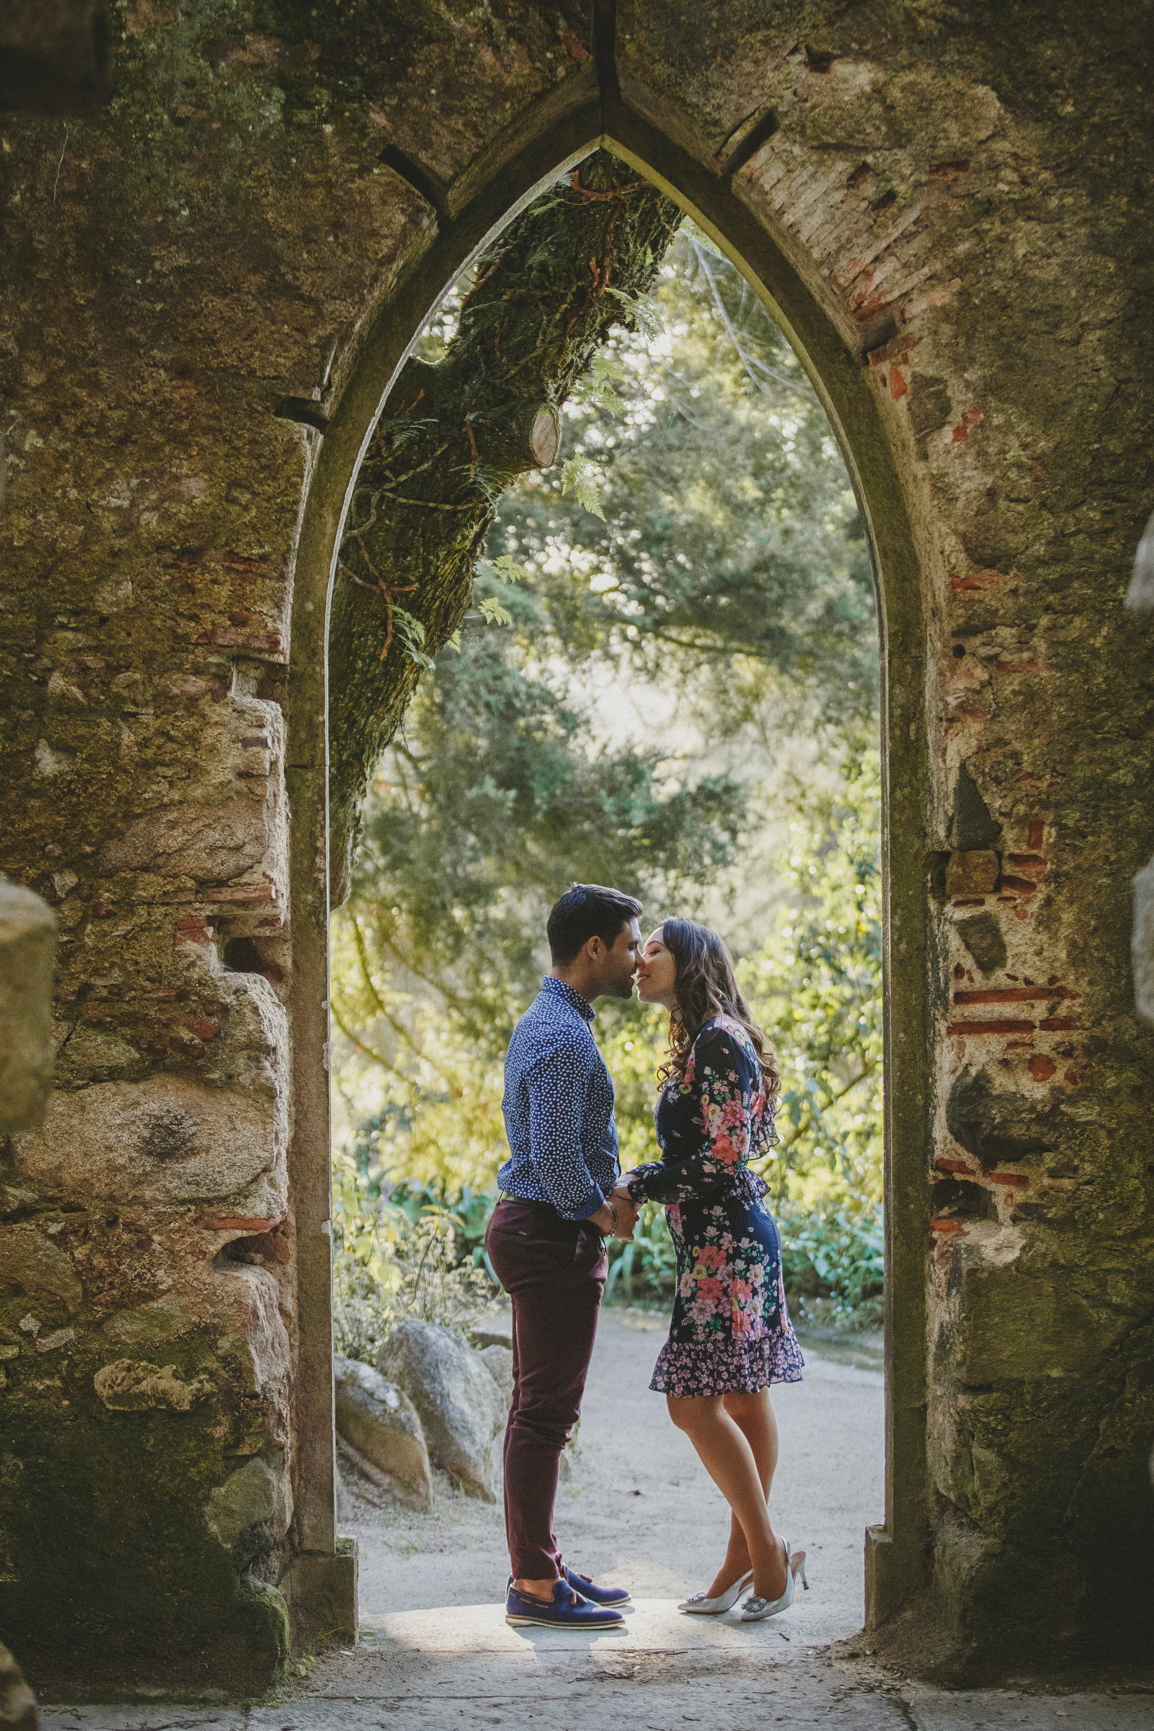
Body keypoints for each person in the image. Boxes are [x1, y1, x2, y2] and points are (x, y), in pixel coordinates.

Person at [613, 917, 808, 1622]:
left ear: (689, 961)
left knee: (693, 1405)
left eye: (654, 948)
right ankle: (742, 1562)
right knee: (746, 1401)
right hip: (721, 1243)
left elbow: (723, 1159)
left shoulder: (720, 1039)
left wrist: (637, 1183)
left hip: (730, 1249)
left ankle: (768, 1556)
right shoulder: (706, 1039)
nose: (639, 959)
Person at [486, 883, 643, 1630]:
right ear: (593, 949)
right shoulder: (563, 1035)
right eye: (630, 943)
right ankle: (534, 1584)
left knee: (539, 1411)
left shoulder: (555, 1020)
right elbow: (551, 1155)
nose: (638, 958)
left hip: (544, 1229)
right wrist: (603, 1212)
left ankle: (540, 1563)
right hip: (548, 1233)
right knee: (544, 1416)